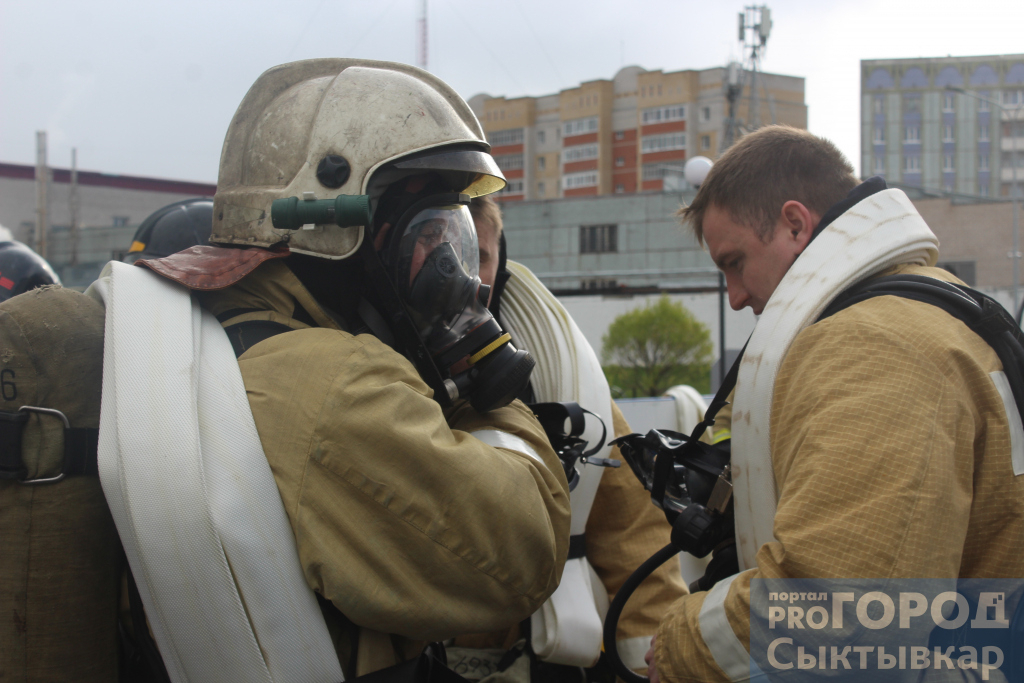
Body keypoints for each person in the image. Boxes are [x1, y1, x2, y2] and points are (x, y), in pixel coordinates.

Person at [83, 59, 571, 681]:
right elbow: (525, 554)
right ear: (335, 233)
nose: (455, 269)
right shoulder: (334, 384)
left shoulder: (207, 334)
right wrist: (484, 384)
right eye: (430, 234)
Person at [647, 125, 1024, 682]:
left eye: (733, 262)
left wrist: (681, 643)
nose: (735, 295)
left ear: (795, 225)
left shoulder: (875, 343)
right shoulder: (936, 312)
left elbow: (841, 610)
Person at [451, 195, 686, 682]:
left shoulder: (568, 382)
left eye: (482, 258)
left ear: (503, 256)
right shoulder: (374, 375)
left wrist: (660, 659)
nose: (466, 279)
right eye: (449, 259)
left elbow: (631, 532)